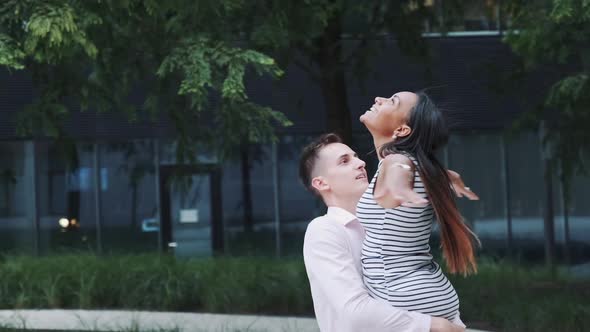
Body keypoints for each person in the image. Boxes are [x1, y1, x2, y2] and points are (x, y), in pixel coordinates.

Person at [299, 133, 467, 332]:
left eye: (356, 156)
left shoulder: (386, 220)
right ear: (321, 183)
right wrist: (431, 324)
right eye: (344, 161)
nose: (361, 163)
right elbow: (354, 311)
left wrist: (452, 321)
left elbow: (419, 277)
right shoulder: (324, 231)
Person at [357, 91, 480, 325]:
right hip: (426, 290)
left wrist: (399, 186)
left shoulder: (398, 159)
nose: (377, 99)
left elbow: (400, 168)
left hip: (403, 293)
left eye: (391, 101)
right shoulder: (420, 165)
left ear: (401, 131)